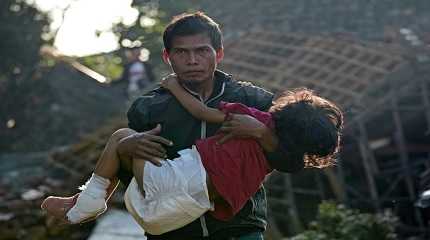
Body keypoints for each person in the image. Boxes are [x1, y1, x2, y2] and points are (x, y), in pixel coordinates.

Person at [42, 12, 307, 239]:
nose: (192, 60)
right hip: (173, 232)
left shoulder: (252, 100)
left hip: (239, 230)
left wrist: (260, 132)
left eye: (202, 50)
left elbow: (292, 161)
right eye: (182, 52)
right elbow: (140, 181)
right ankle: (85, 202)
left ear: (219, 53)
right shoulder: (148, 108)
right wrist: (126, 148)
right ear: (168, 57)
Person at [42, 76, 343, 234]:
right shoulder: (278, 156)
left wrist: (173, 85)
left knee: (122, 137)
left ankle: (90, 199)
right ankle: (86, 201)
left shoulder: (256, 119)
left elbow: (200, 111)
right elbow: (291, 162)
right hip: (186, 209)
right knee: (130, 145)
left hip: (172, 185)